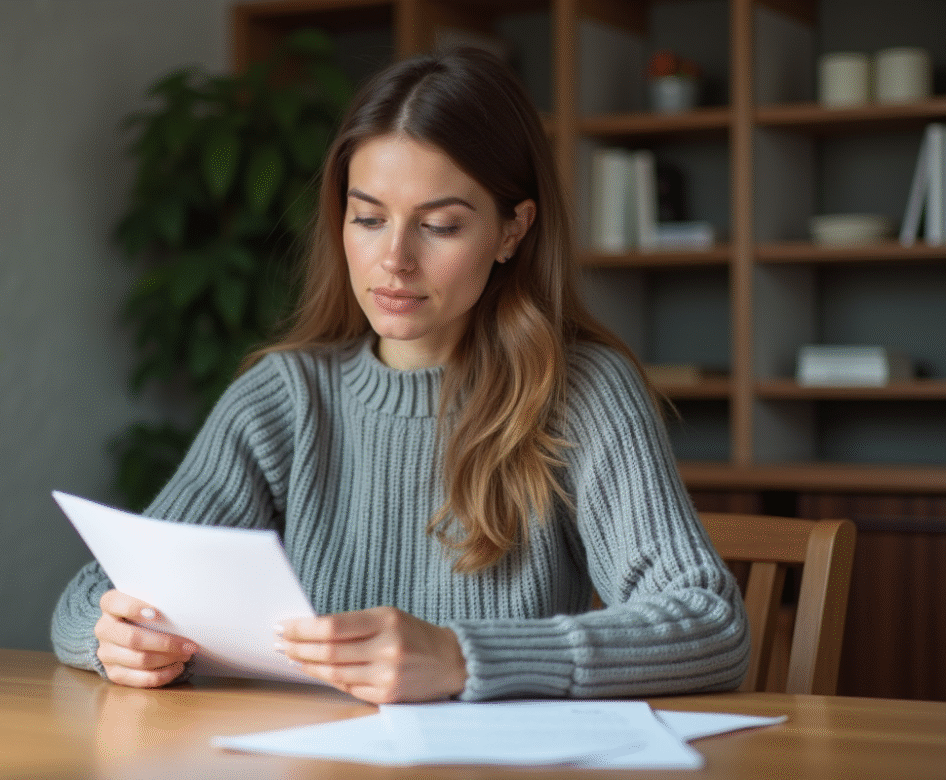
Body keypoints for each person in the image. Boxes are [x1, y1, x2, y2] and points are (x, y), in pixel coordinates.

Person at [52, 47, 749, 704]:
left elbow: (710, 624)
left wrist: (460, 658)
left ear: (512, 231)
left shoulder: (580, 392)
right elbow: (92, 595)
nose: (394, 260)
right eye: (368, 218)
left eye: (439, 226)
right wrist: (112, 638)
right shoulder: (284, 399)